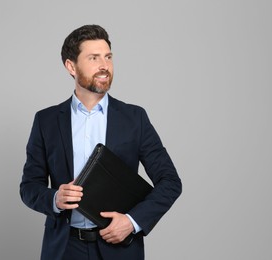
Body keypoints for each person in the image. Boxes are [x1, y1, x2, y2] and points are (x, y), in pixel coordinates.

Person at [20, 24, 182, 260]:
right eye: (94, 58)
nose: (104, 65)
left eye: (108, 57)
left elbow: (170, 181)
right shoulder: (46, 121)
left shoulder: (135, 118)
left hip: (119, 248)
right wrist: (55, 198)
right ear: (71, 66)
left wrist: (132, 221)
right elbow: (28, 187)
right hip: (64, 249)